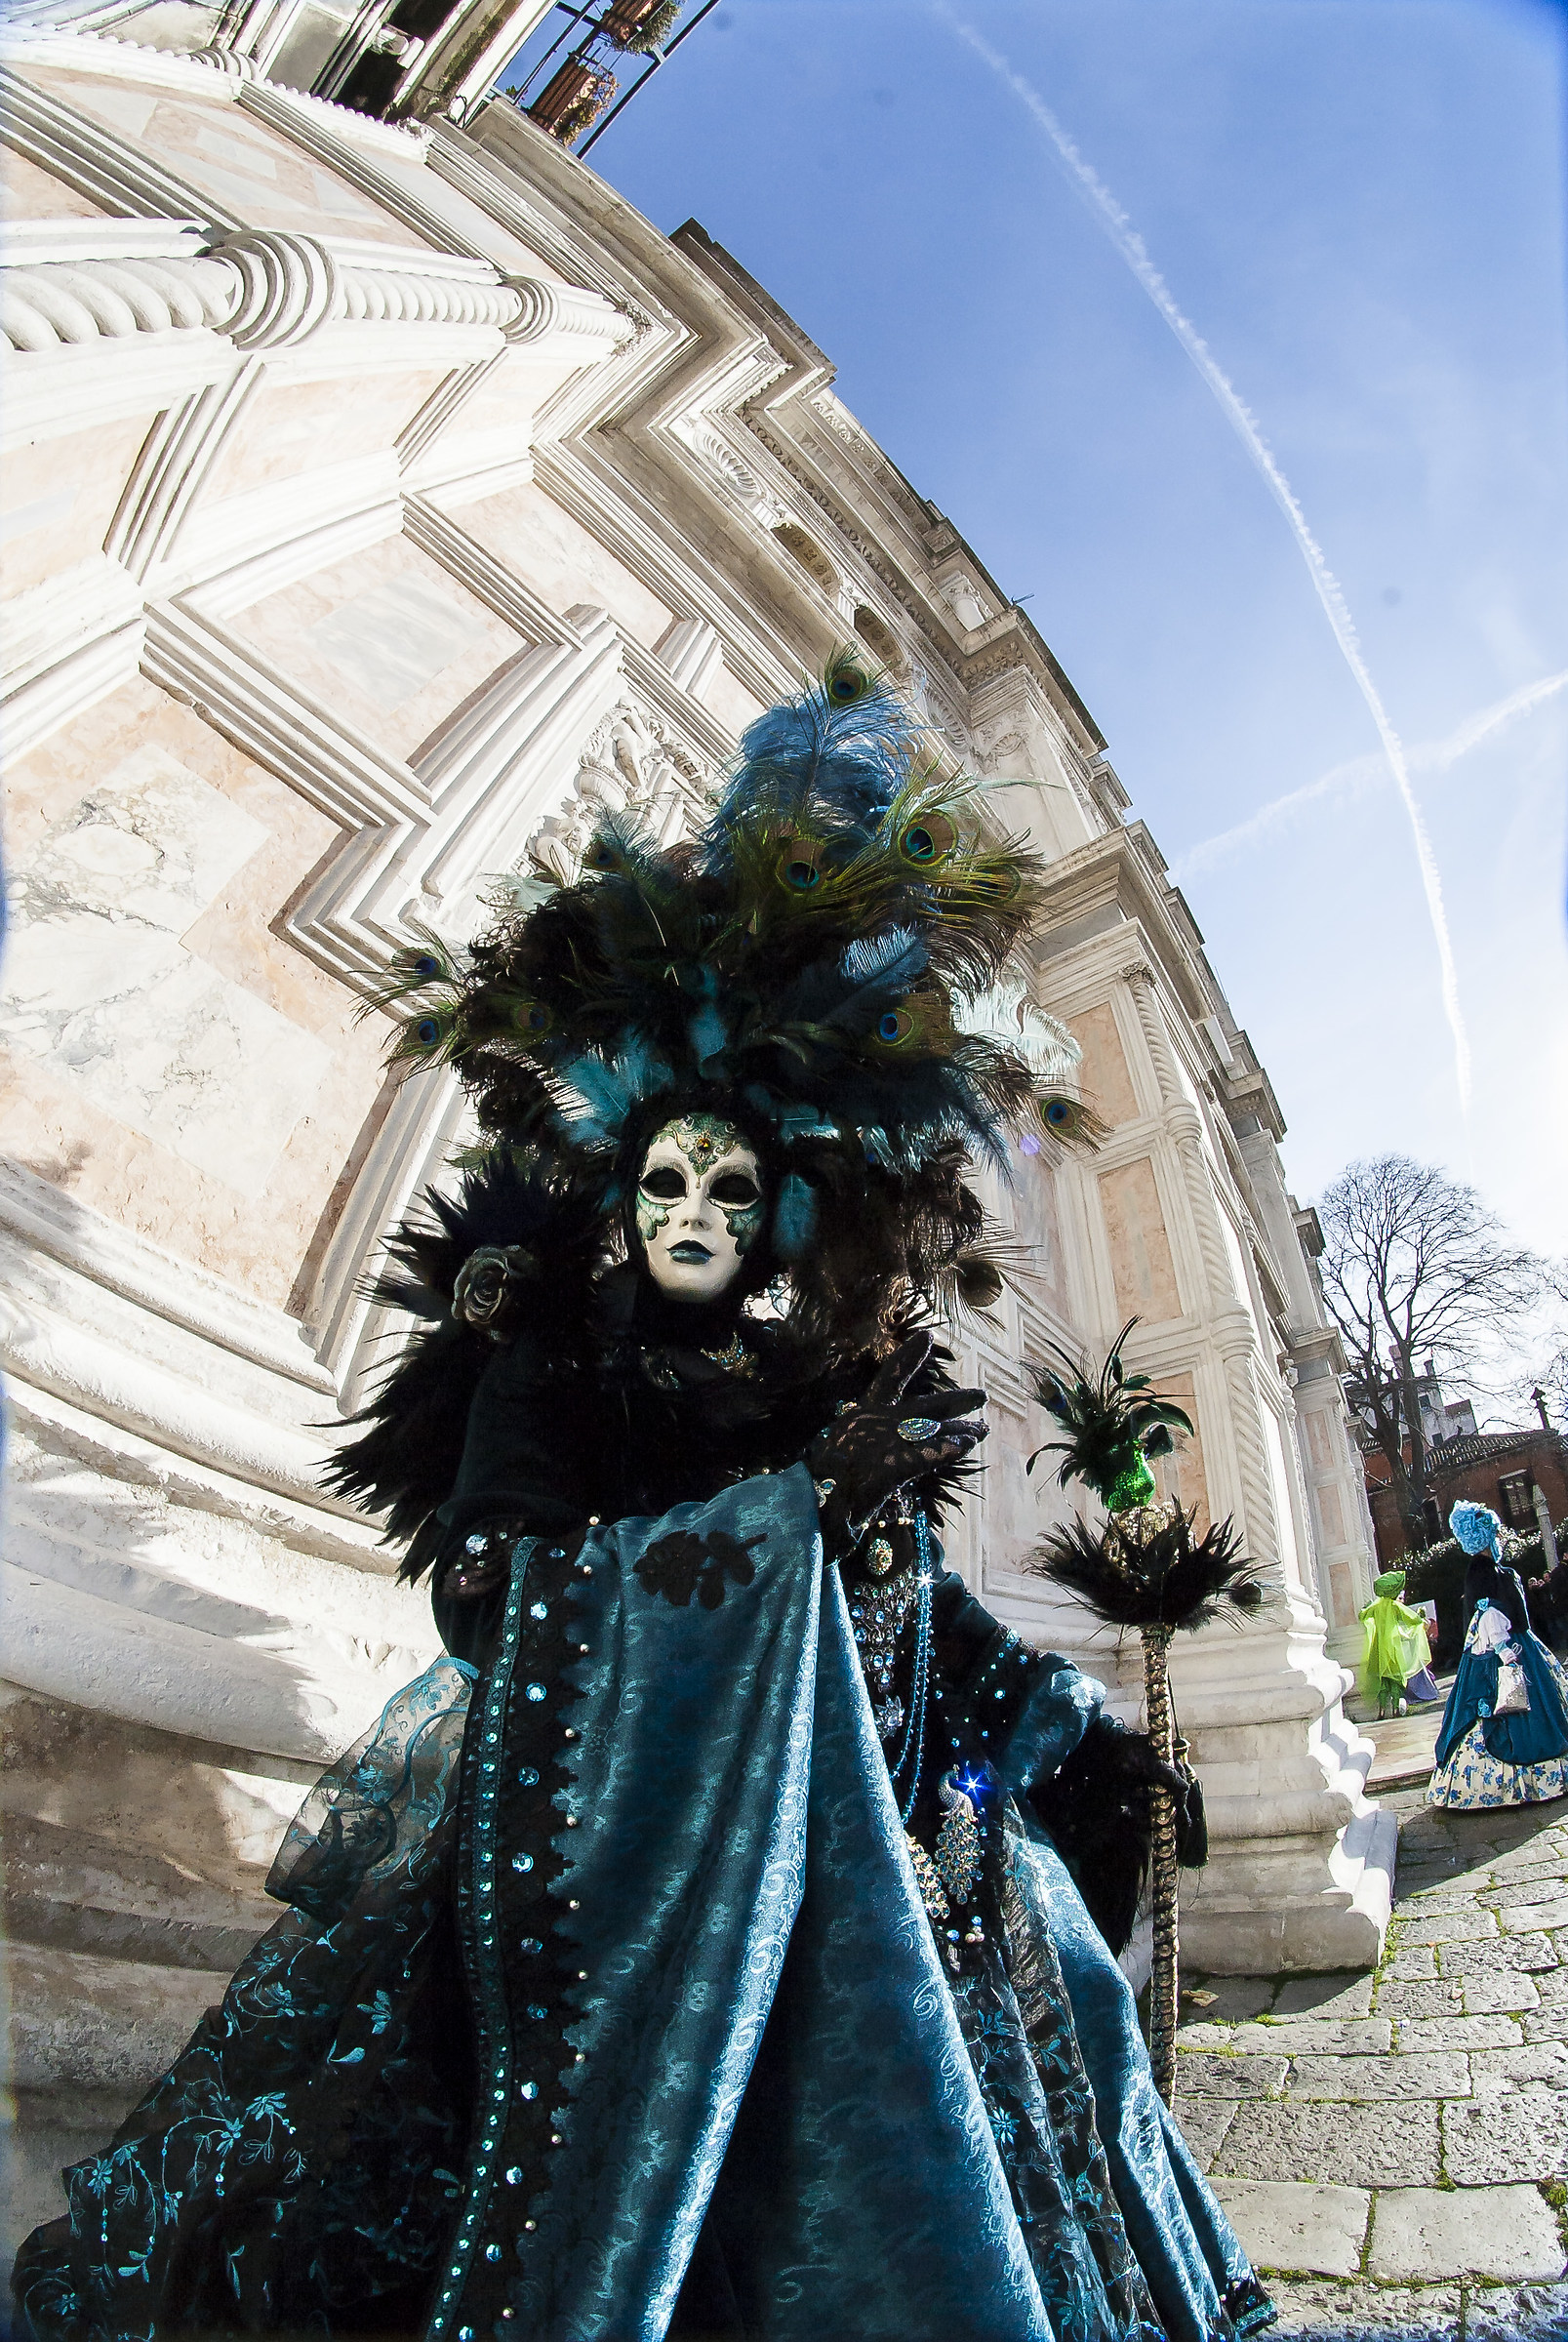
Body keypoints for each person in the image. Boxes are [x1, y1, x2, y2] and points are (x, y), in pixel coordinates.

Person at [14, 663, 1274, 2342]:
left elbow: (896, 1630)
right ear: (620, 1183)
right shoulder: (551, 1368)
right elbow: (494, 1595)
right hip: (624, 1900)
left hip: (858, 1876)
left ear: (781, 1217)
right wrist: (770, 1531)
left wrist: (1068, 1733)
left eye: (730, 1187)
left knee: (1041, 2015)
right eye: (665, 1176)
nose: (691, 1205)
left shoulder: (804, 1387)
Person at [1427, 1501, 1568, 1810]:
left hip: (1519, 1643)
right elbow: (1488, 1613)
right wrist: (1505, 1651)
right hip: (1502, 1652)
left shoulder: (1495, 1569)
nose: (1501, 1536)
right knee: (1511, 1711)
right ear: (1486, 1535)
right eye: (1497, 1531)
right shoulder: (1482, 1571)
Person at [1358, 1569, 1435, 1716]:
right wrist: (1421, 1617)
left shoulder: (1376, 1605)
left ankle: (1381, 1711)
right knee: (1397, 1681)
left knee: (1382, 1681)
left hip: (1378, 1647)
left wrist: (1365, 1607)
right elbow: (1413, 1619)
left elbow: (1362, 1615)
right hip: (1393, 1648)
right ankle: (1395, 1709)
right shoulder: (1395, 1605)